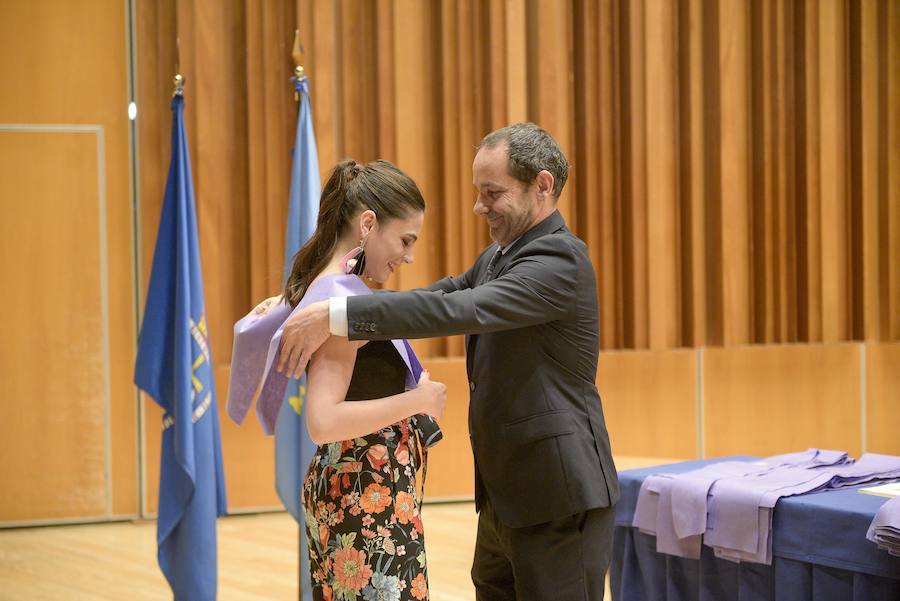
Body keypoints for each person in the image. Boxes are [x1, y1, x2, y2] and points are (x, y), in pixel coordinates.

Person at [276, 123, 619, 600]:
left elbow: (457, 310)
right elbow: (441, 294)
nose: (479, 207)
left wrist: (337, 315)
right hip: (506, 497)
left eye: (492, 193)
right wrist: (300, 305)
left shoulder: (559, 260)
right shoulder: (500, 257)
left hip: (556, 496)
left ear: (541, 185)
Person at [258, 159, 447, 601]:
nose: (409, 255)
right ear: (368, 224)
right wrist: (417, 400)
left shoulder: (332, 290)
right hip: (364, 498)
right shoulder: (338, 298)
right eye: (405, 239)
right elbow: (322, 421)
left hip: (359, 490)